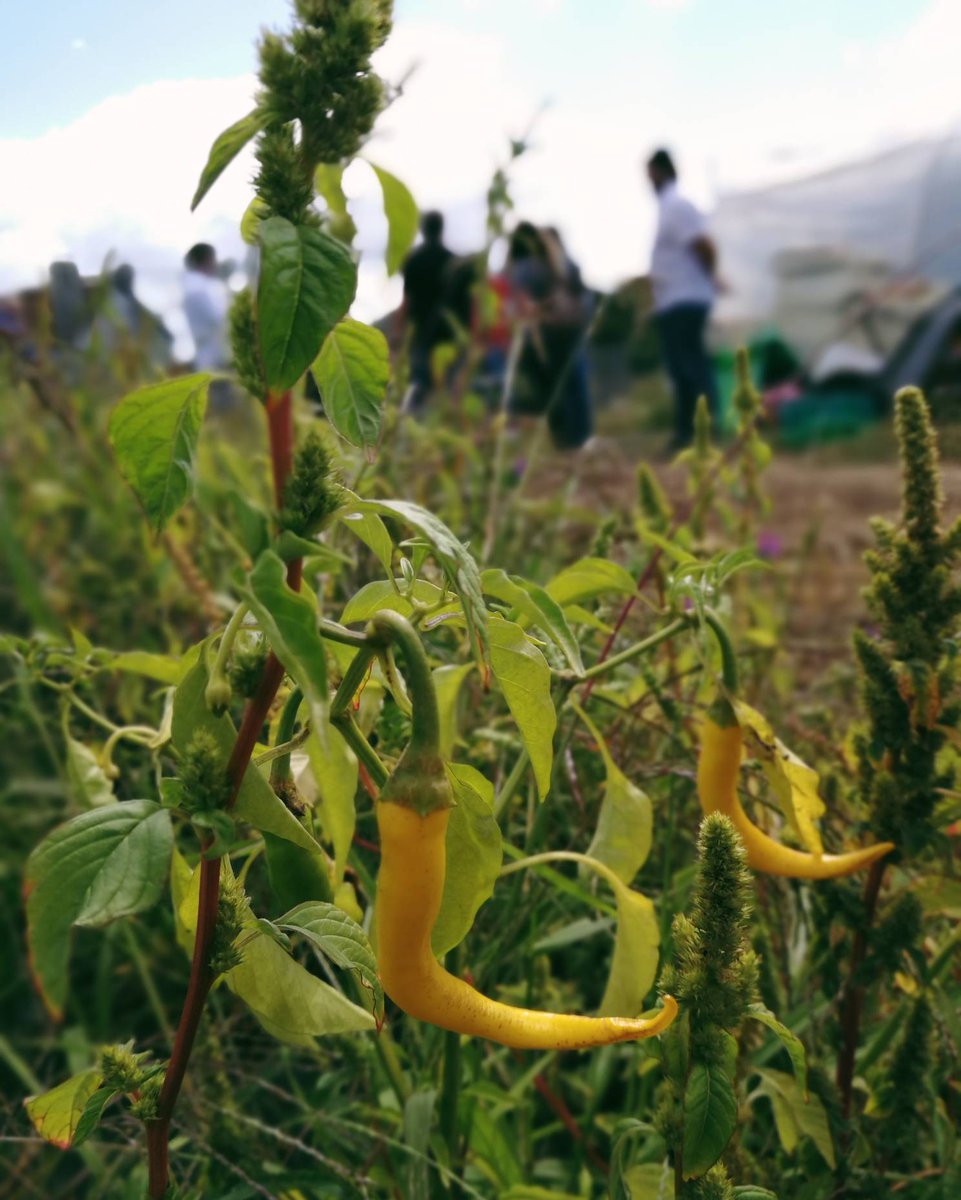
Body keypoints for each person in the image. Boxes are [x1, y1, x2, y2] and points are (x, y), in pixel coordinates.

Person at [646, 148, 719, 449]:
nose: (647, 179)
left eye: (649, 172)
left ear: (661, 171)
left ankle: (699, 431)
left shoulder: (676, 205)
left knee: (689, 367)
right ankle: (689, 431)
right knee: (684, 366)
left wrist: (709, 276)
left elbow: (704, 244)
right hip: (675, 299)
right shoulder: (668, 206)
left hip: (684, 299)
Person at [505, 221, 593, 450]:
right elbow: (585, 298)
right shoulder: (566, 263)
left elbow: (519, 306)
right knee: (575, 383)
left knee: (553, 389)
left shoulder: (523, 268)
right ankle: (582, 438)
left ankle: (563, 438)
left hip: (546, 333)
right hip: (572, 330)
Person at [398, 211, 455, 411]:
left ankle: (415, 430)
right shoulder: (452, 261)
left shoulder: (414, 260)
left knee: (418, 389)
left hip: (420, 333)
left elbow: (406, 300)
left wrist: (398, 331)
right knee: (445, 389)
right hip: (447, 334)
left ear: (422, 229)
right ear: (442, 229)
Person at [183, 243, 229, 370]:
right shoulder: (200, 288)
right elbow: (218, 318)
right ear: (207, 259)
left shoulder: (193, 284)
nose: (216, 263)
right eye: (214, 259)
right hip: (212, 359)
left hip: (207, 357)